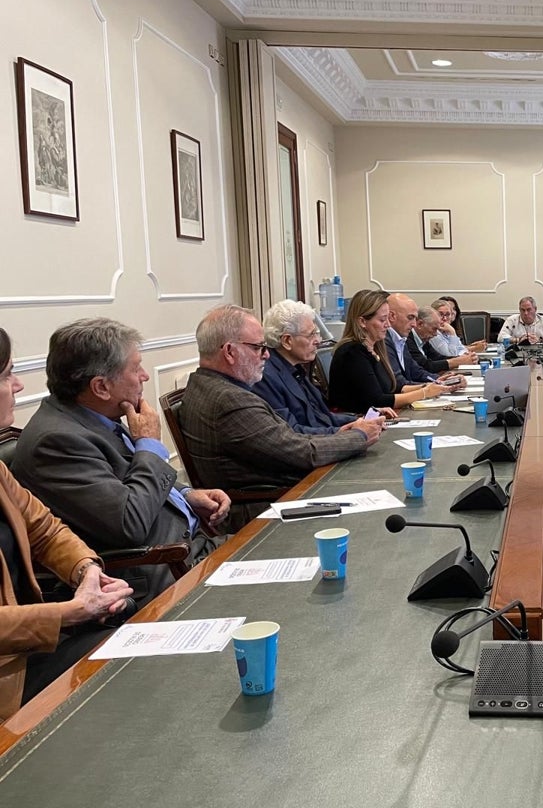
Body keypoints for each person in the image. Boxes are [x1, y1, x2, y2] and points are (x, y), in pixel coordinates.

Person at [12, 319, 228, 604]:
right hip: (163, 574)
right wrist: (149, 444)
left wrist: (185, 494)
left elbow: (128, 473)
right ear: (101, 387)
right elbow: (130, 523)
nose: (144, 376)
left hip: (197, 546)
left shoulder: (96, 414)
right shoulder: (55, 442)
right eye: (135, 368)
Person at [0, 327, 135, 719]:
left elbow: (44, 529)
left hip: (28, 649)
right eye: (7, 375)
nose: (19, 385)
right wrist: (69, 613)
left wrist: (86, 571)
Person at [177, 305, 379, 515]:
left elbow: (290, 438)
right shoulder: (231, 401)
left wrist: (345, 432)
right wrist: (359, 436)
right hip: (269, 504)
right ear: (229, 351)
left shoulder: (203, 383)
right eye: (258, 347)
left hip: (278, 488)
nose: (266, 355)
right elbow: (301, 453)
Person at [252, 299, 385, 435]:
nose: (318, 341)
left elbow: (322, 417)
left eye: (317, 333)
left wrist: (363, 419)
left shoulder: (296, 369)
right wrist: (343, 431)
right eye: (311, 335)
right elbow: (291, 432)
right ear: (287, 341)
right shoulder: (265, 376)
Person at [329, 291, 453, 414]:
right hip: (355, 421)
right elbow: (377, 400)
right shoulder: (352, 352)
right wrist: (424, 393)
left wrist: (432, 386)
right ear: (362, 322)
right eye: (383, 320)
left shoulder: (376, 347)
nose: (388, 325)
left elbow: (394, 388)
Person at [408, 306, 477, 373]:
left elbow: (437, 357)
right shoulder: (408, 340)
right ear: (420, 324)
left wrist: (463, 358)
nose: (435, 334)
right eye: (434, 329)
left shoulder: (423, 339)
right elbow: (426, 366)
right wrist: (458, 361)